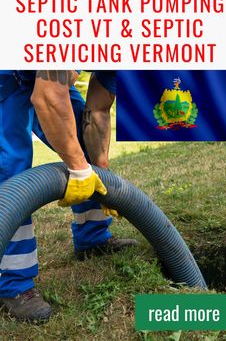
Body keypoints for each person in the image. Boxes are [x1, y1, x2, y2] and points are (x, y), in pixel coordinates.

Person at [0, 70, 137, 322]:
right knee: (10, 175)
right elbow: (47, 96)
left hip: (40, 72)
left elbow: (97, 110)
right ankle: (14, 283)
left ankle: (92, 238)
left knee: (84, 145)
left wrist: (99, 169)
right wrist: (78, 167)